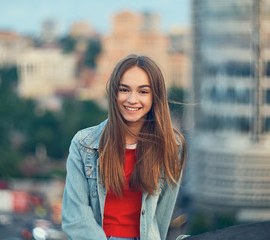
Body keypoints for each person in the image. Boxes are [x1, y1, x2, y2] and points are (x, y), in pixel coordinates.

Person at [61, 54, 187, 240]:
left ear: (155, 96)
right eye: (124, 90)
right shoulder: (84, 144)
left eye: (143, 91)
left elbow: (161, 218)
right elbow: (75, 217)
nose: (132, 99)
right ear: (114, 93)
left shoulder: (172, 147)